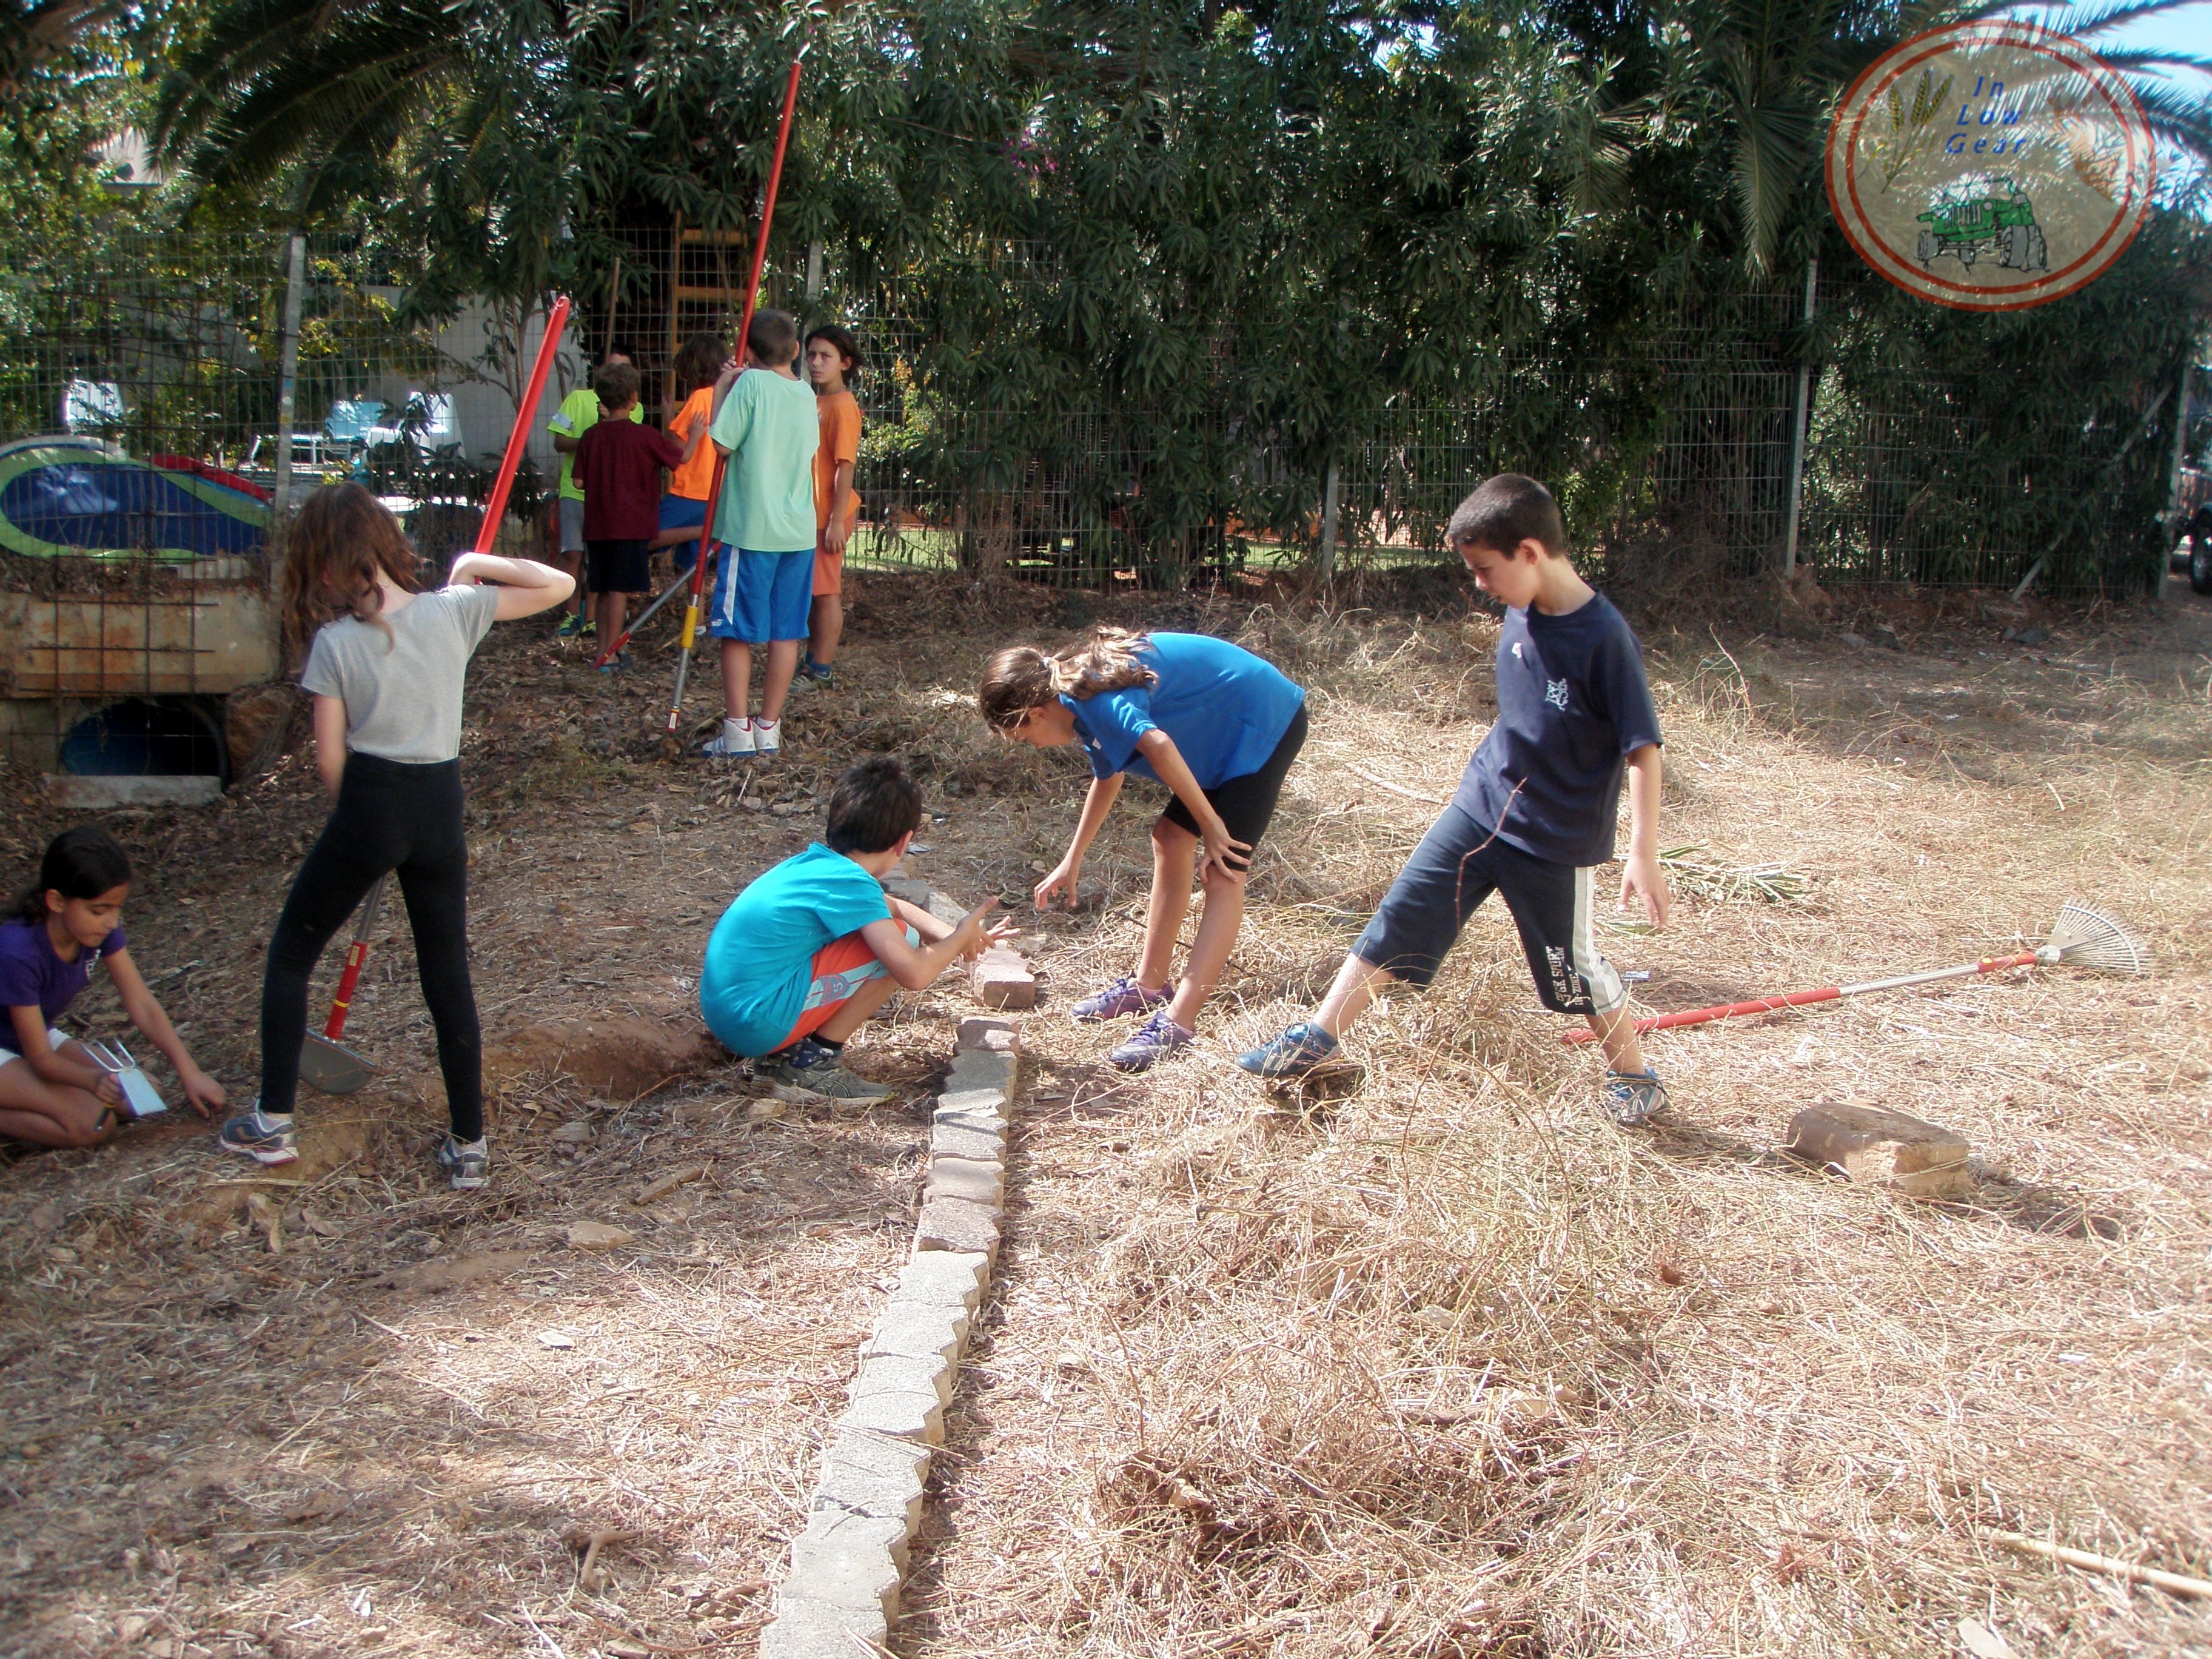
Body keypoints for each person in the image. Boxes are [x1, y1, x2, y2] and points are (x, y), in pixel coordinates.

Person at [1236, 474, 1674, 1124]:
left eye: (1484, 569)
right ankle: (1318, 1037)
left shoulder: (1605, 639)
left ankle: (1636, 1077)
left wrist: (1643, 851)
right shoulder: (1521, 605)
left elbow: (1644, 748)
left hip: (1554, 838)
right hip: (1479, 806)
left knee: (1571, 972)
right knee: (1402, 915)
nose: (1478, 584)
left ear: (1530, 552)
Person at [216, 482, 574, 1185]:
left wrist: (360, 833)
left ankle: (272, 1124)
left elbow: (330, 759)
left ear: (325, 566)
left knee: (291, 955)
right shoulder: (455, 610)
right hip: (441, 806)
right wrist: (476, 563)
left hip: (372, 801)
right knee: (447, 974)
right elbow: (559, 583)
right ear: (384, 544)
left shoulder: (334, 643)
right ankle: (469, 1145)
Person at [980, 629, 1308, 1072]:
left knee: (1224, 870)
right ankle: (1149, 987)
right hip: (1225, 724)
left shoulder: (1091, 697)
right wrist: (1071, 861)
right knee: (1171, 838)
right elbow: (1109, 775)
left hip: (1262, 721)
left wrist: (1212, 826)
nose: (1033, 748)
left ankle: (1179, 1023)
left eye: (1023, 738)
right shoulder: (1073, 692)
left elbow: (1157, 745)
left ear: (1038, 713)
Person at [700, 756, 1014, 1103]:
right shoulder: (853, 885)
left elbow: (892, 905)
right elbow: (914, 973)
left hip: (731, 1015)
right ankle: (811, 1064)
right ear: (903, 842)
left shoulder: (820, 867)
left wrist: (956, 936)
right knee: (901, 940)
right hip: (754, 1023)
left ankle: (782, 1058)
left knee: (890, 929)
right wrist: (957, 940)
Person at [0, 826, 226, 1148]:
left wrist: (189, 1071)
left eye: (117, 909)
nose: (111, 922)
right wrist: (91, 1080)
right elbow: (41, 1058)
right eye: (99, 910)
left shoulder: (98, 932)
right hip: (15, 1047)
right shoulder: (18, 952)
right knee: (95, 1124)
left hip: (28, 1038)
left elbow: (142, 1004)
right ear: (57, 901)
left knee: (144, 1095)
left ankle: (46, 1101)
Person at [700, 309, 821, 759]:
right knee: (784, 632)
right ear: (794, 350)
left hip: (753, 530)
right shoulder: (805, 394)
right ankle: (768, 729)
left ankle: (737, 731)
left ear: (747, 352)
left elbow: (721, 443)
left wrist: (721, 389)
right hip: (797, 531)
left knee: (736, 632)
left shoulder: (749, 384)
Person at [572, 360, 684, 670]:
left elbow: (579, 481)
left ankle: (602, 652)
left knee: (604, 589)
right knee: (619, 590)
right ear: (633, 399)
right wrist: (695, 431)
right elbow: (681, 457)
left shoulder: (591, 437)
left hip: (597, 525)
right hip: (630, 525)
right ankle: (612, 653)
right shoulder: (644, 436)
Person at [548, 344, 640, 638]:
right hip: (576, 493)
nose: (618, 376)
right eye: (613, 369)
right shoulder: (577, 399)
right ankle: (570, 614)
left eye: (624, 371)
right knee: (572, 554)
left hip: (608, 497)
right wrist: (592, 439)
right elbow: (560, 441)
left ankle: (591, 618)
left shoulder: (634, 409)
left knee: (597, 558)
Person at [793, 324, 862, 688]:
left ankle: (820, 667)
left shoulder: (843, 406)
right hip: (813, 513)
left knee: (826, 591)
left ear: (845, 363)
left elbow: (844, 465)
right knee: (815, 590)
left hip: (830, 515)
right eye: (812, 355)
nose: (816, 363)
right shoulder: (816, 401)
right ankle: (811, 660)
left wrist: (836, 521)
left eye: (826, 356)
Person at [649, 331, 729, 578]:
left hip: (691, 490)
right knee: (694, 568)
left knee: (645, 537)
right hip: (716, 491)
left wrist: (666, 418)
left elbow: (676, 446)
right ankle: (695, 615)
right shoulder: (728, 396)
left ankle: (703, 531)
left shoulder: (700, 397)